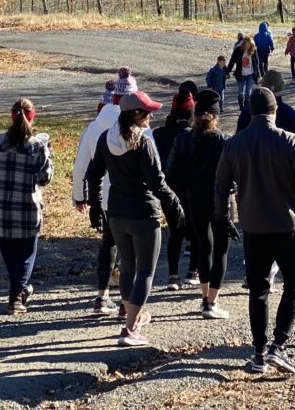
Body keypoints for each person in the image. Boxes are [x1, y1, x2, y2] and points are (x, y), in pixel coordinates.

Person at [216, 87, 295, 376]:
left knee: (258, 291)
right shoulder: (289, 140)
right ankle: (279, 345)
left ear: (249, 112)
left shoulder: (234, 144)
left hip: (253, 228)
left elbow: (221, 184)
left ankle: (259, 353)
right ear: (274, 111)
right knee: (294, 284)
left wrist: (223, 216)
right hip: (286, 225)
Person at [86, 90, 185, 348]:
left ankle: (135, 316)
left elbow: (93, 173)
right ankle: (130, 329)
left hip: (116, 213)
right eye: (149, 112)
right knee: (146, 271)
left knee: (128, 268)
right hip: (143, 214)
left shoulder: (107, 138)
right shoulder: (143, 142)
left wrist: (96, 205)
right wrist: (174, 205)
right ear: (138, 115)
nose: (152, 116)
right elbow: (157, 182)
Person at [0, 98, 52, 314]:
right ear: (32, 116)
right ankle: (17, 295)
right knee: (26, 253)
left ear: (12, 116)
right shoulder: (37, 146)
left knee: (9, 253)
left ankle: (18, 288)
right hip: (27, 210)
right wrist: (48, 153)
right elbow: (45, 179)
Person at [73, 68, 140, 318]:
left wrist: (81, 196)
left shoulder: (94, 128)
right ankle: (127, 301)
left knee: (108, 244)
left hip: (102, 196)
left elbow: (82, 165)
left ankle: (102, 296)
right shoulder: (136, 127)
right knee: (130, 249)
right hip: (131, 197)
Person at [166, 88, 235, 319]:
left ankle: (205, 297)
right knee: (221, 250)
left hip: (193, 200)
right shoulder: (225, 142)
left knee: (203, 247)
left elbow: (171, 175)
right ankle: (212, 302)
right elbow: (234, 175)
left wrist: (183, 197)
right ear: (216, 116)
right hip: (219, 200)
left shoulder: (182, 140)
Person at [152, 87, 198, 291]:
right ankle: (193, 272)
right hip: (193, 189)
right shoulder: (196, 136)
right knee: (196, 232)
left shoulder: (159, 134)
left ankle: (172, 275)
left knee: (175, 232)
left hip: (168, 190)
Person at [236, 69, 295, 146]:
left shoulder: (247, 110)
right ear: (281, 89)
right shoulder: (287, 112)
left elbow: (238, 138)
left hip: (250, 155)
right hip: (281, 155)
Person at [234, 38, 259, 108]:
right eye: (246, 44)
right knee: (240, 92)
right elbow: (232, 60)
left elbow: (256, 63)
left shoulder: (253, 51)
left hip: (250, 74)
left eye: (249, 45)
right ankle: (241, 104)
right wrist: (227, 71)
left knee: (248, 92)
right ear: (244, 44)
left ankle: (246, 106)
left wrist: (257, 74)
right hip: (241, 74)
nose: (248, 46)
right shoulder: (238, 50)